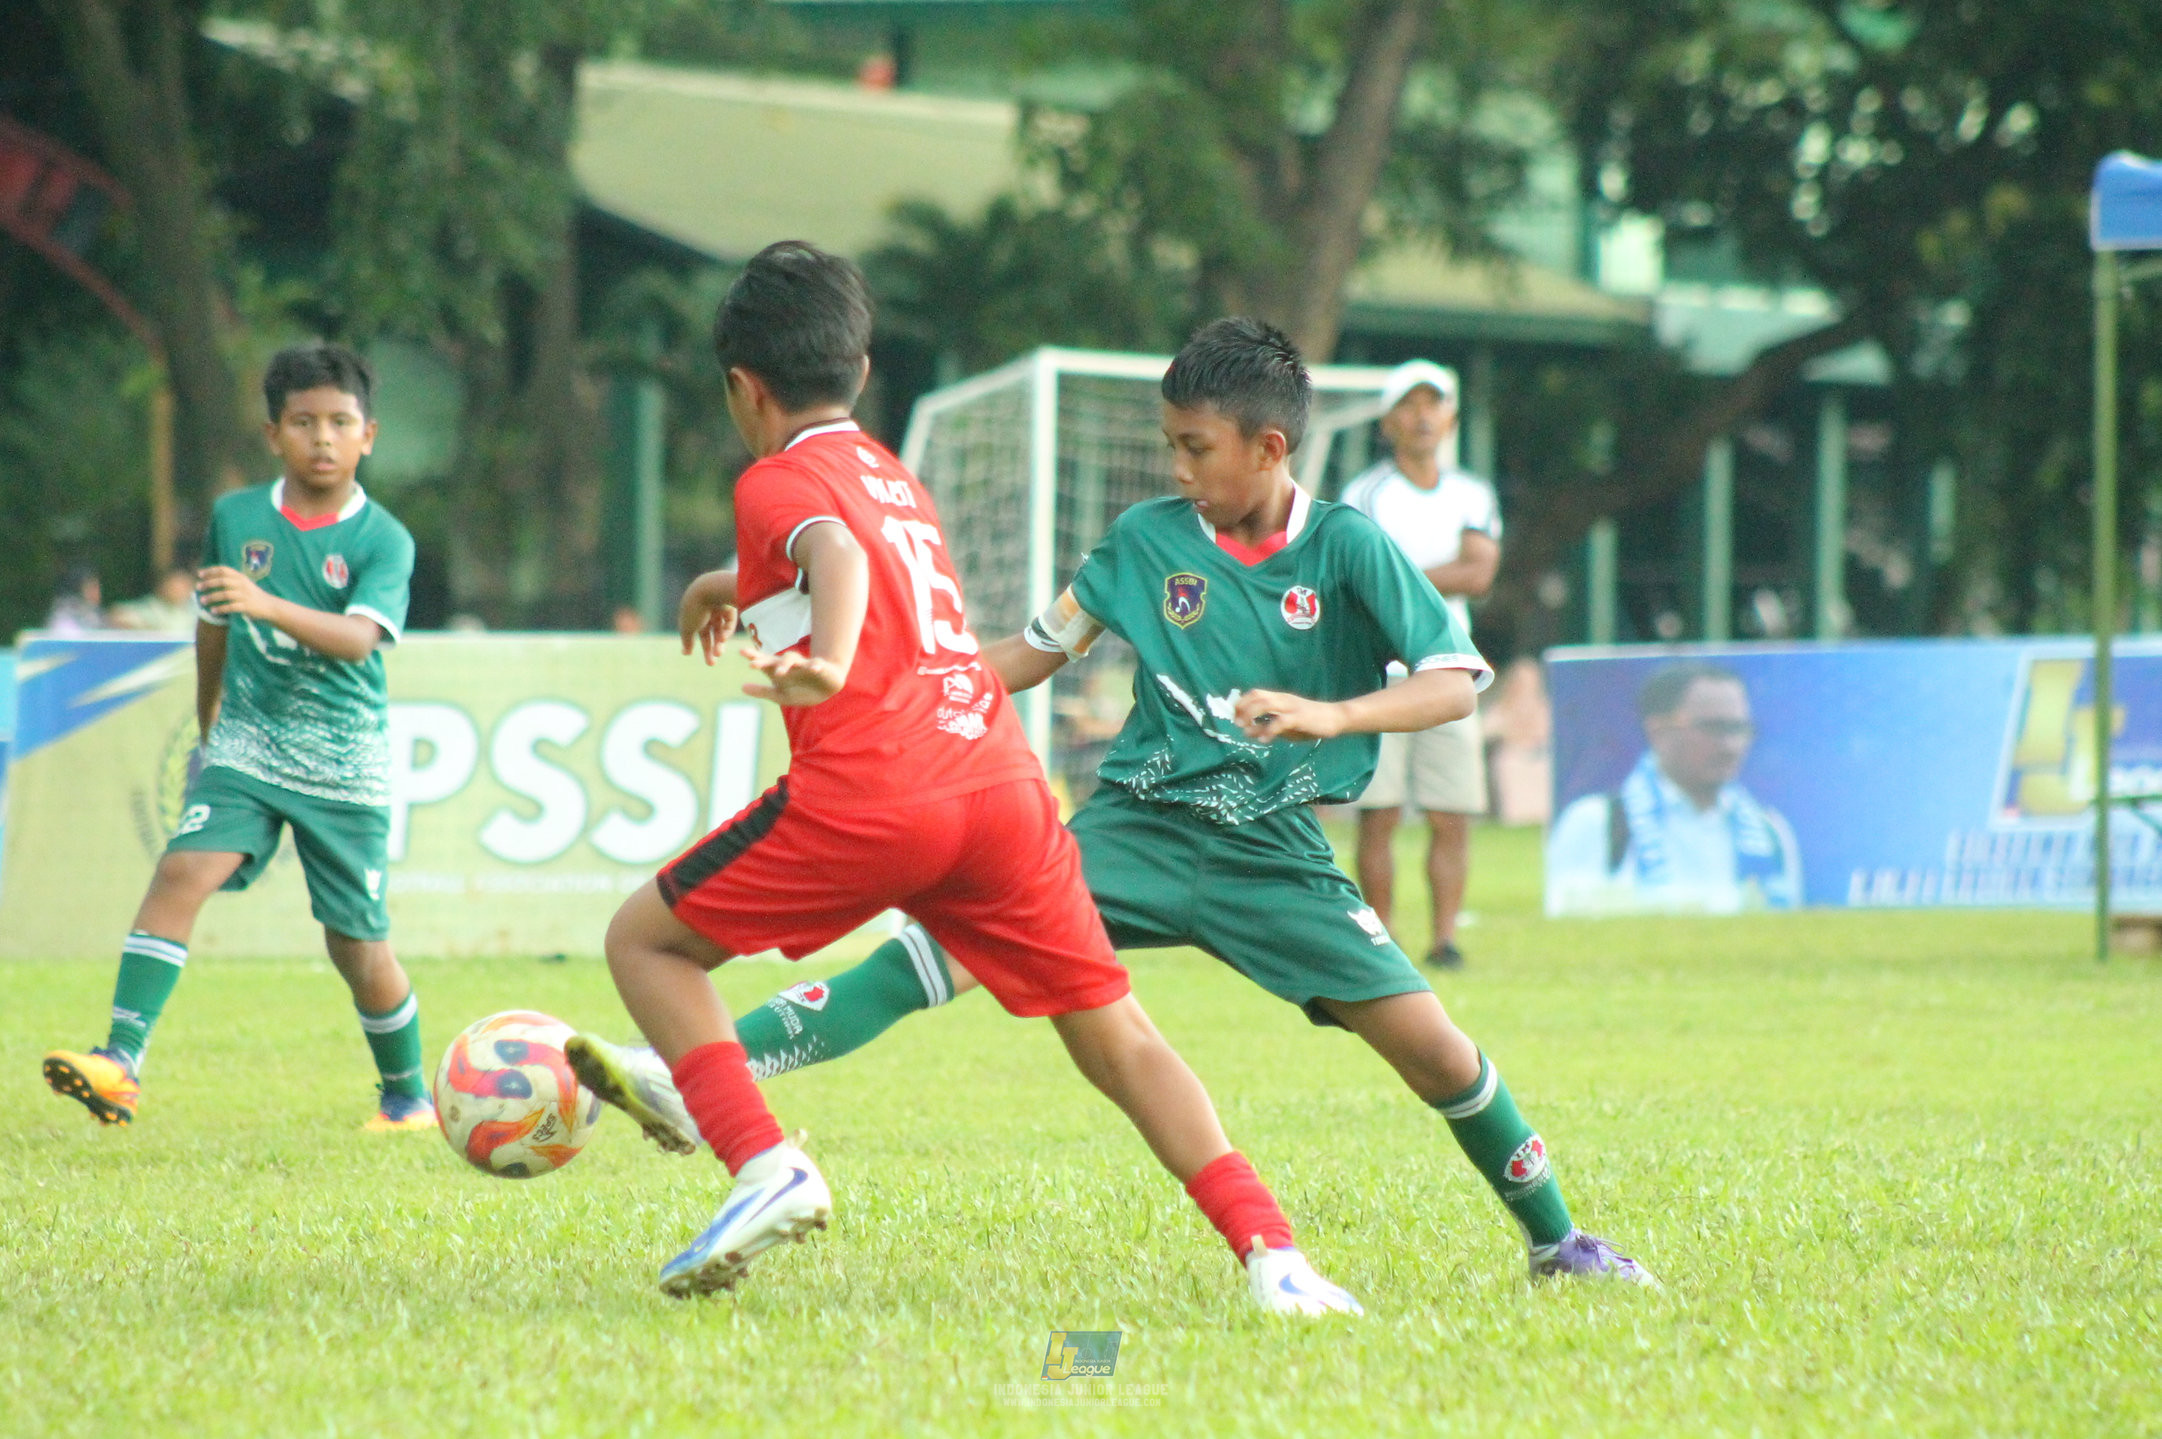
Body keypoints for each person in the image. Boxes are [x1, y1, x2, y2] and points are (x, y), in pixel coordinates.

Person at [573, 317, 1654, 1288]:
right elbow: (1032, 653)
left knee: (1435, 1051)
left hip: (1271, 850)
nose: (1175, 467)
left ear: (1268, 448)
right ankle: (685, 1073)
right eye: (1169, 444)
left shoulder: (1348, 545)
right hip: (1128, 827)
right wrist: (914, 687)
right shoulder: (1143, 540)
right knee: (917, 961)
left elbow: (1449, 681)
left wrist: (1333, 716)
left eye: (1196, 448)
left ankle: (1557, 1240)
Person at [581, 244, 1358, 1312]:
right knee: (1116, 1037)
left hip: (879, 787)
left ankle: (761, 1160)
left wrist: (834, 656)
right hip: (999, 785)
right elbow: (855, 557)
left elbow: (839, 568)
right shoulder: (893, 476)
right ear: (858, 369)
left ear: (740, 388)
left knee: (646, 941)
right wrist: (727, 582)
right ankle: (1275, 1257)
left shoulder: (774, 477)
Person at [42, 342, 428, 1132]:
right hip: (248, 745)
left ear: (369, 436)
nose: (323, 437)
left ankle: (408, 1095)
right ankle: (119, 1062)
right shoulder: (237, 517)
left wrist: (267, 603)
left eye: (340, 422)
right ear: (272, 433)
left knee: (357, 947)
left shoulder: (384, 539)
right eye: (304, 422)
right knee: (180, 872)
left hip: (342, 761)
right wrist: (210, 719)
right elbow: (213, 623)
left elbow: (358, 639)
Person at [1338, 360, 1501, 970]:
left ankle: (1445, 939)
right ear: (1388, 422)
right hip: (1384, 671)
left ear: (1451, 416)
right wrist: (1434, 575)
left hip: (1451, 669)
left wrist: (1400, 579)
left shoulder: (1472, 492)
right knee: (1378, 815)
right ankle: (1383, 938)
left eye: (1434, 404)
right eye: (1409, 405)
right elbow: (1359, 580)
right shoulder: (1365, 493)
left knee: (1450, 812)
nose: (1422, 416)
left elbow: (1480, 572)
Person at [1546, 661, 1802, 914]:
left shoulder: (1770, 831)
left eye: (1738, 729)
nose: (1730, 746)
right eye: (1712, 728)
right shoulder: (1597, 823)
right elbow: (1569, 926)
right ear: (1658, 731)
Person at [109, 567, 200, 632]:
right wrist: (148, 626)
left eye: (184, 587)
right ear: (164, 587)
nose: (179, 591)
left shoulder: (195, 610)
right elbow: (117, 614)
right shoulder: (152, 605)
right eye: (174, 586)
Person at [44, 564, 107, 634]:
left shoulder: (96, 613)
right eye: (92, 587)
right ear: (79, 589)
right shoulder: (63, 614)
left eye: (98, 587)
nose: (97, 592)